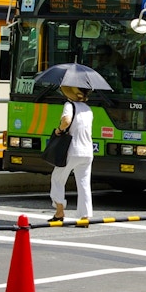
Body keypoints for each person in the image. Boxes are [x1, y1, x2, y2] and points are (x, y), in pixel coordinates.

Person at [49, 86, 94, 222]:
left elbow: (66, 121)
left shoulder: (69, 105)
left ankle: (59, 212)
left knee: (57, 178)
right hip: (87, 151)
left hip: (72, 150)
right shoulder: (88, 109)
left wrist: (59, 130)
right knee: (84, 183)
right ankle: (84, 217)